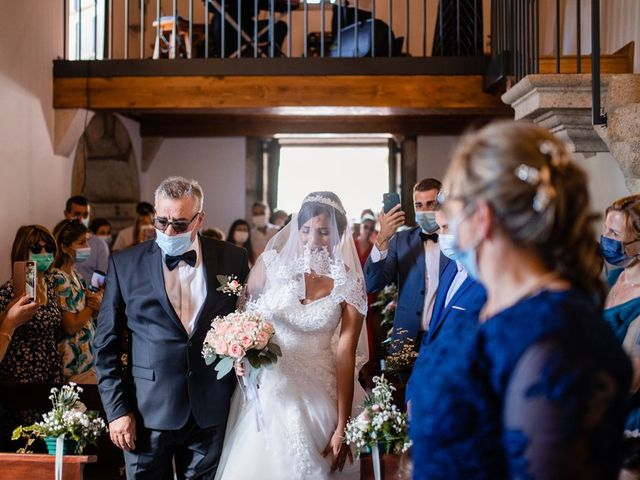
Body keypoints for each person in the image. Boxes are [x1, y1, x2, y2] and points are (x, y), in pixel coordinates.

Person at [410, 121, 631, 478]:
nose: (442, 224)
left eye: (450, 208)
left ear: (481, 217)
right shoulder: (490, 308)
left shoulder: (557, 339)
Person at [94, 176, 250, 479]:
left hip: (211, 408)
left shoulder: (232, 258)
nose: (167, 231)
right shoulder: (125, 264)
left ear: (200, 219)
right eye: (161, 220)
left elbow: (245, 319)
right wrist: (117, 411)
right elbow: (105, 346)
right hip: (146, 411)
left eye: (179, 224)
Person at [216, 192, 368, 479]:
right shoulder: (270, 265)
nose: (314, 239)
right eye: (306, 230)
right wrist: (241, 351)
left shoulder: (349, 283)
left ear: (339, 235)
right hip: (274, 386)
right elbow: (247, 318)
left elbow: (345, 355)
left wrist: (342, 426)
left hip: (322, 387)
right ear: (297, 230)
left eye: (324, 232)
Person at [405, 207, 486, 406]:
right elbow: (431, 337)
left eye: (446, 227)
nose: (441, 235)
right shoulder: (450, 268)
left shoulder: (485, 280)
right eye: (439, 228)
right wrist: (413, 392)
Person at [364, 179, 450, 347]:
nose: (424, 210)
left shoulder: (456, 241)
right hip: (407, 340)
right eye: (419, 205)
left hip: (446, 337)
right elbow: (372, 284)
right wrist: (383, 237)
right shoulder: (401, 241)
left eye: (430, 204)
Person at [0, 225, 63, 449]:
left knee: (50, 442)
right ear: (22, 251)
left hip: (50, 374)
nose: (44, 252)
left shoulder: (49, 285)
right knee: (27, 443)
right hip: (23, 375)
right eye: (36, 247)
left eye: (49, 248)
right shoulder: (10, 292)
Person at [601, 195, 640, 430]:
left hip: (626, 424)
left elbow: (629, 380)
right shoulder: (615, 277)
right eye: (605, 229)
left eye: (614, 234)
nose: (605, 238)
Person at [52, 220, 103, 384]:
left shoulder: (75, 274)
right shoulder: (58, 278)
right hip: (73, 363)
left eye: (86, 241)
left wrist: (96, 306)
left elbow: (86, 312)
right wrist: (90, 307)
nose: (86, 246)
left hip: (87, 360)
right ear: (65, 247)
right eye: (81, 242)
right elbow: (70, 326)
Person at [62, 195, 110, 283]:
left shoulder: (99, 245)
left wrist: (91, 294)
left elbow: (100, 277)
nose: (81, 219)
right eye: (77, 214)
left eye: (85, 215)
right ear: (66, 214)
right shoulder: (57, 240)